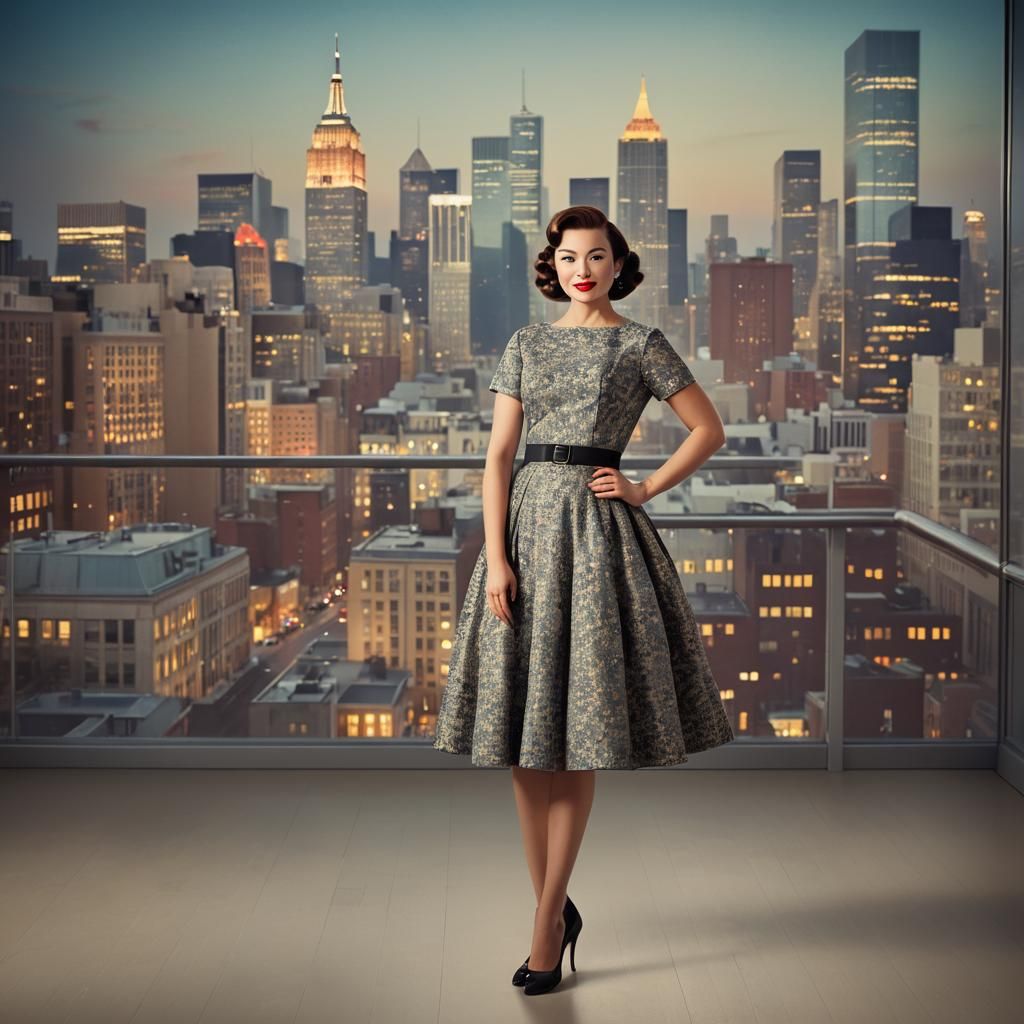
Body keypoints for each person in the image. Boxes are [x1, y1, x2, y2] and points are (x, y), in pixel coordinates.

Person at [432, 205, 735, 995]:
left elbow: (707, 429)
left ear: (617, 263)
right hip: (525, 532)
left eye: (597, 256)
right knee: (527, 746)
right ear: (553, 265)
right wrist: (495, 559)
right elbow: (498, 457)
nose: (583, 268)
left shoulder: (640, 342)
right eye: (570, 256)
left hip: (597, 538)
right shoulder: (527, 342)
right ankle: (557, 909)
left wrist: (644, 488)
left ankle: (541, 931)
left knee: (577, 738)